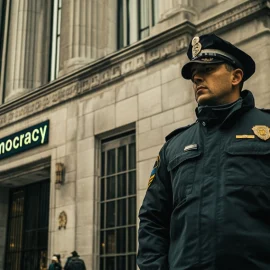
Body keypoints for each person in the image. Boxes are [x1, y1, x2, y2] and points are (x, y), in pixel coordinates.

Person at [137, 33, 270, 270]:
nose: (197, 77)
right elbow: (152, 220)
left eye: (208, 69)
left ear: (236, 76)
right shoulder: (174, 146)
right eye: (194, 74)